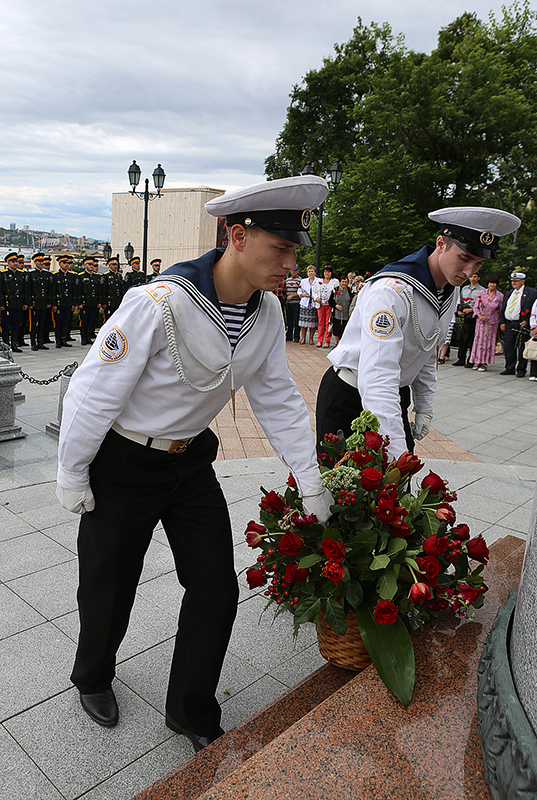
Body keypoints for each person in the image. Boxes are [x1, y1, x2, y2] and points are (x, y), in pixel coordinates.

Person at [55, 175, 333, 753]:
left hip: (189, 464)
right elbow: (94, 391)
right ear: (237, 236)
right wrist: (73, 471)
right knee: (109, 584)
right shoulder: (157, 302)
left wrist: (310, 479)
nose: (290, 262)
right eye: (280, 248)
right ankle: (92, 676)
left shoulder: (268, 312)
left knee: (215, 587)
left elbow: (277, 396)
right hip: (124, 461)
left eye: (294, 251)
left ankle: (190, 709)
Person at [316, 206, 521, 459]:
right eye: (464, 258)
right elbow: (377, 377)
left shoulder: (449, 287)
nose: (470, 272)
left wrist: (424, 406)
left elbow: (426, 350)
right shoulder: (392, 290)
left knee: (396, 492)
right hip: (350, 395)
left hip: (392, 395)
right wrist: (397, 454)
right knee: (343, 491)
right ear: (441, 243)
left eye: (478, 263)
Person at [499, 271, 537, 377]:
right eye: (512, 281)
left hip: (521, 324)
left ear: (522, 281)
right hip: (509, 323)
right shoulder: (509, 293)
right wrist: (502, 321)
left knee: (521, 347)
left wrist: (528, 320)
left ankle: (521, 369)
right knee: (509, 347)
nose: (513, 283)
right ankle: (509, 368)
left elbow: (534, 309)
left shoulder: (531, 293)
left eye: (516, 281)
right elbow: (504, 308)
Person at [469, 275, 504, 372]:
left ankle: (484, 363)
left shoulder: (500, 296)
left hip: (492, 323)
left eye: (494, 283)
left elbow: (501, 310)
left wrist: (500, 322)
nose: (492, 285)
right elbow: (476, 306)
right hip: (481, 322)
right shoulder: (482, 293)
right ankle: (476, 361)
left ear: (496, 284)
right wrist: (479, 315)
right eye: (490, 283)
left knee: (488, 343)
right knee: (478, 342)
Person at [452, 271, 485, 367]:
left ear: (478, 278)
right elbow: (460, 300)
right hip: (464, 315)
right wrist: (459, 310)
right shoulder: (464, 288)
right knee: (462, 337)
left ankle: (471, 360)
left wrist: (471, 310)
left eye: (475, 277)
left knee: (472, 338)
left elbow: (482, 304)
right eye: (471, 277)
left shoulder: (482, 290)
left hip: (473, 315)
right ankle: (461, 358)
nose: (473, 279)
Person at [0, 251, 29, 353]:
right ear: (8, 263)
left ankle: (14, 344)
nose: (15, 263)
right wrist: (2, 304)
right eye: (12, 261)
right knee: (6, 326)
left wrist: (25, 303)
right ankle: (6, 345)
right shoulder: (3, 274)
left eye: (16, 261)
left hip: (18, 303)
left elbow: (25, 290)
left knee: (17, 324)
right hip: (8, 304)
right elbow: (0, 291)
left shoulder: (21, 274)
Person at [51, 255, 80, 348]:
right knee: (58, 322)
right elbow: (53, 291)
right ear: (59, 264)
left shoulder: (72, 276)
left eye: (67, 263)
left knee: (66, 322)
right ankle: (58, 341)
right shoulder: (55, 275)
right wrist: (54, 304)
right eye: (64, 263)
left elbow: (74, 290)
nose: (66, 265)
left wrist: (73, 303)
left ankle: (64, 339)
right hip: (59, 303)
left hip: (68, 302)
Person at [28, 252, 52, 350]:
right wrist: (30, 303)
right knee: (33, 323)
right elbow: (28, 289)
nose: (41, 263)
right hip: (35, 302)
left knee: (42, 323)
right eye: (39, 261)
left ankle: (40, 342)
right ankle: (33, 343)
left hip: (43, 302)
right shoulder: (31, 274)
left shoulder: (46, 274)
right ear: (35, 262)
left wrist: (49, 301)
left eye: (42, 261)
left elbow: (49, 289)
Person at [79, 257, 101, 345]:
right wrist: (79, 302)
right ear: (85, 265)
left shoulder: (96, 277)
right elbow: (78, 291)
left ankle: (88, 337)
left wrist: (99, 301)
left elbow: (99, 290)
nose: (91, 266)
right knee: (84, 321)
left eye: (92, 265)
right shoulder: (81, 276)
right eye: (89, 265)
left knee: (91, 321)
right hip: (85, 303)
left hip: (94, 302)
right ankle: (83, 338)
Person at [316, 266, 339, 348]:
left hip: (329, 305)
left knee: (328, 323)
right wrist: (316, 298)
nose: (327, 273)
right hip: (321, 305)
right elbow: (315, 292)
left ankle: (327, 341)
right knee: (321, 323)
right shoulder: (319, 281)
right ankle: (319, 340)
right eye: (325, 271)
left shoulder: (335, 281)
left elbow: (337, 292)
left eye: (329, 272)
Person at [298, 265, 320, 344]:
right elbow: (299, 291)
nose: (311, 273)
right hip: (305, 303)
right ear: (307, 273)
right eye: (309, 271)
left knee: (313, 323)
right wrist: (303, 294)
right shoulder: (303, 281)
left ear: (315, 272)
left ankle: (311, 338)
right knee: (303, 323)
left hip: (313, 303)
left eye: (312, 271)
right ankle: (303, 338)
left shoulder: (318, 281)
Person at [330, 274, 352, 346]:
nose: (344, 283)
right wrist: (336, 305)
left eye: (346, 282)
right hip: (337, 313)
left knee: (344, 328)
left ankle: (343, 343)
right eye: (343, 282)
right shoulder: (335, 290)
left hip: (346, 313)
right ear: (340, 282)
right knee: (336, 328)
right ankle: (336, 343)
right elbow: (330, 301)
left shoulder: (349, 290)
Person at [101, 256, 124, 321]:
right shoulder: (106, 276)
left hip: (117, 301)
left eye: (116, 264)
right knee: (108, 319)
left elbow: (121, 288)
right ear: (109, 265)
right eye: (113, 265)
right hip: (109, 301)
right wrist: (104, 302)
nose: (115, 266)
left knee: (117, 319)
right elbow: (103, 289)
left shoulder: (119, 276)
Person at [284, 265, 301, 342]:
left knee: (297, 320)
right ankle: (289, 335)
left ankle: (296, 336)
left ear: (298, 271)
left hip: (296, 302)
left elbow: (301, 292)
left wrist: (293, 295)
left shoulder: (300, 280)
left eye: (295, 270)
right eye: (292, 270)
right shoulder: (287, 280)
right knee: (289, 320)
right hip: (289, 303)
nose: (293, 272)